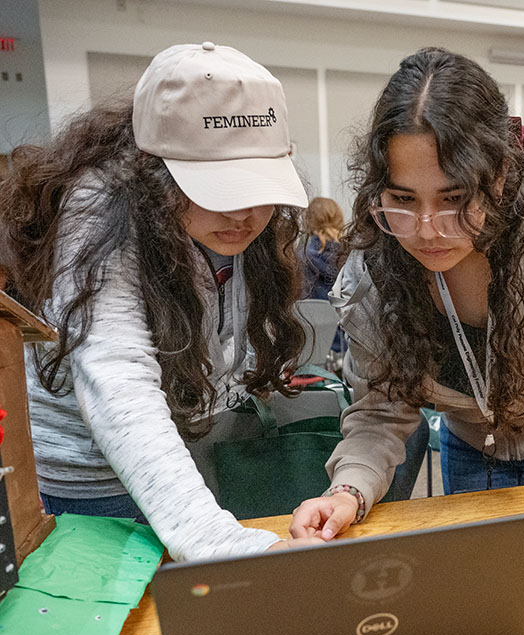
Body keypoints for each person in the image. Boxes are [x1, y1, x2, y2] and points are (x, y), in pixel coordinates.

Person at [289, 47, 524, 553]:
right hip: (469, 449)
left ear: (497, 176)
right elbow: (383, 410)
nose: (426, 230)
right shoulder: (377, 258)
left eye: (453, 199)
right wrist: (348, 489)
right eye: (403, 200)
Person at [0, 42, 322, 561]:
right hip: (87, 482)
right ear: (156, 173)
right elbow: (117, 376)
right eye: (218, 188)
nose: (243, 213)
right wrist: (211, 537)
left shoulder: (239, 224)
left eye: (258, 186)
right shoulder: (100, 203)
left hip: (175, 463)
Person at [302, 196, 345, 301]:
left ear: (308, 221)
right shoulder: (353, 254)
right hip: (345, 315)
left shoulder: (302, 257)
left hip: (314, 314)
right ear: (339, 219)